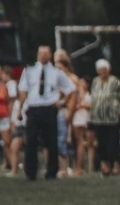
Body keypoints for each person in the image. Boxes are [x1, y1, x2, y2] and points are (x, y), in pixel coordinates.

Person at [17, 45, 76, 181]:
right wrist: (20, 108)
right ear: (38, 55)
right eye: (41, 53)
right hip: (33, 108)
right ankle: (30, 172)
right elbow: (23, 90)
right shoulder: (29, 70)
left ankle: (51, 171)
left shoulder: (57, 72)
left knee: (51, 141)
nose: (43, 56)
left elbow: (70, 89)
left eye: (46, 53)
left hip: (49, 108)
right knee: (30, 140)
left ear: (50, 55)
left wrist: (61, 102)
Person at [87, 59, 120, 176]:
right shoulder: (95, 81)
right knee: (101, 143)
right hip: (98, 117)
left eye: (105, 69)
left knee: (113, 142)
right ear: (97, 71)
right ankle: (105, 165)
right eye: (101, 70)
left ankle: (116, 165)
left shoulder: (115, 81)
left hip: (112, 117)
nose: (103, 72)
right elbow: (93, 97)